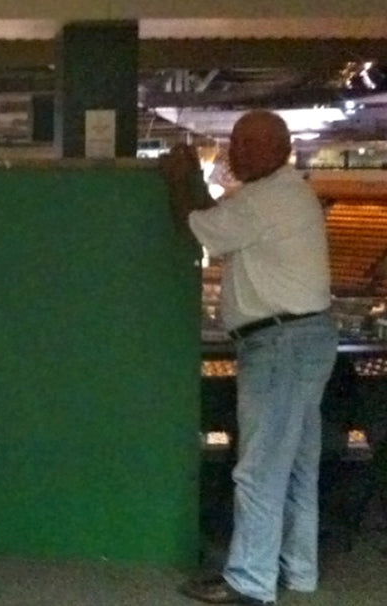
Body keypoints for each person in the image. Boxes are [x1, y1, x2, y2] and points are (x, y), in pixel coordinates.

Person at [160, 110, 339, 604]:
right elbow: (215, 221)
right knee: (297, 466)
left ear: (278, 149)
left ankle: (251, 582)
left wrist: (178, 180)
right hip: (307, 339)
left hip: (279, 346)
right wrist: (195, 180)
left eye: (246, 143)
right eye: (235, 142)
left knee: (259, 470)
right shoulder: (285, 192)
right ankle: (298, 571)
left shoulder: (264, 200)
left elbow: (195, 228)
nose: (236, 152)